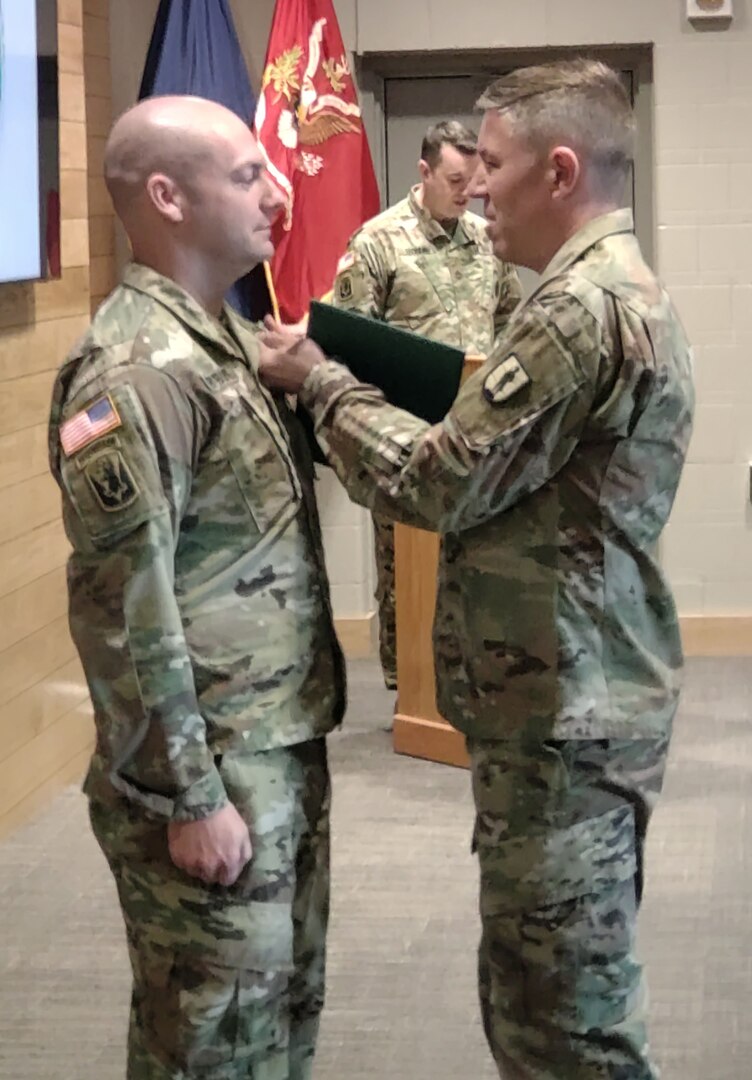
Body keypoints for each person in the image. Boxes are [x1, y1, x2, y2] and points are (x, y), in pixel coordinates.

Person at [258, 59, 694, 1080]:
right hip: (577, 698)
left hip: (564, 715)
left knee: (563, 1024)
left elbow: (438, 484)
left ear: (555, 171)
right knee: (544, 995)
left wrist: (322, 383)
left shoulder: (573, 313)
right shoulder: (616, 290)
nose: (475, 187)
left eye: (490, 165)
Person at [48, 95, 346, 1080]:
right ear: (167, 197)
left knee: (271, 1027)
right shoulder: (134, 369)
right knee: (209, 1047)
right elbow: (121, 608)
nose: (276, 191)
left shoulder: (220, 339)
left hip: (271, 744)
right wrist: (186, 797)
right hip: (212, 766)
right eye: (245, 174)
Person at [330, 119, 521, 691]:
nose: (468, 192)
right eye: (456, 179)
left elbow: (508, 316)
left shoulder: (487, 241)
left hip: (479, 432)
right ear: (425, 173)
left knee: (482, 557)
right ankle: (409, 686)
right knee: (403, 568)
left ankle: (471, 682)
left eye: (475, 179)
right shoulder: (377, 243)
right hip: (408, 438)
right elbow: (349, 344)